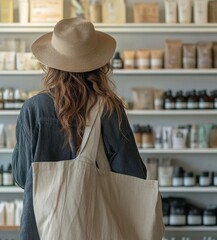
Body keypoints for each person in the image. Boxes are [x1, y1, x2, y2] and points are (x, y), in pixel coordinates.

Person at [12, 17, 147, 240]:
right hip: (98, 227)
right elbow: (134, 175)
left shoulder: (33, 109)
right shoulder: (109, 110)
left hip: (42, 228)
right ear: (99, 64)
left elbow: (21, 176)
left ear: (51, 65)